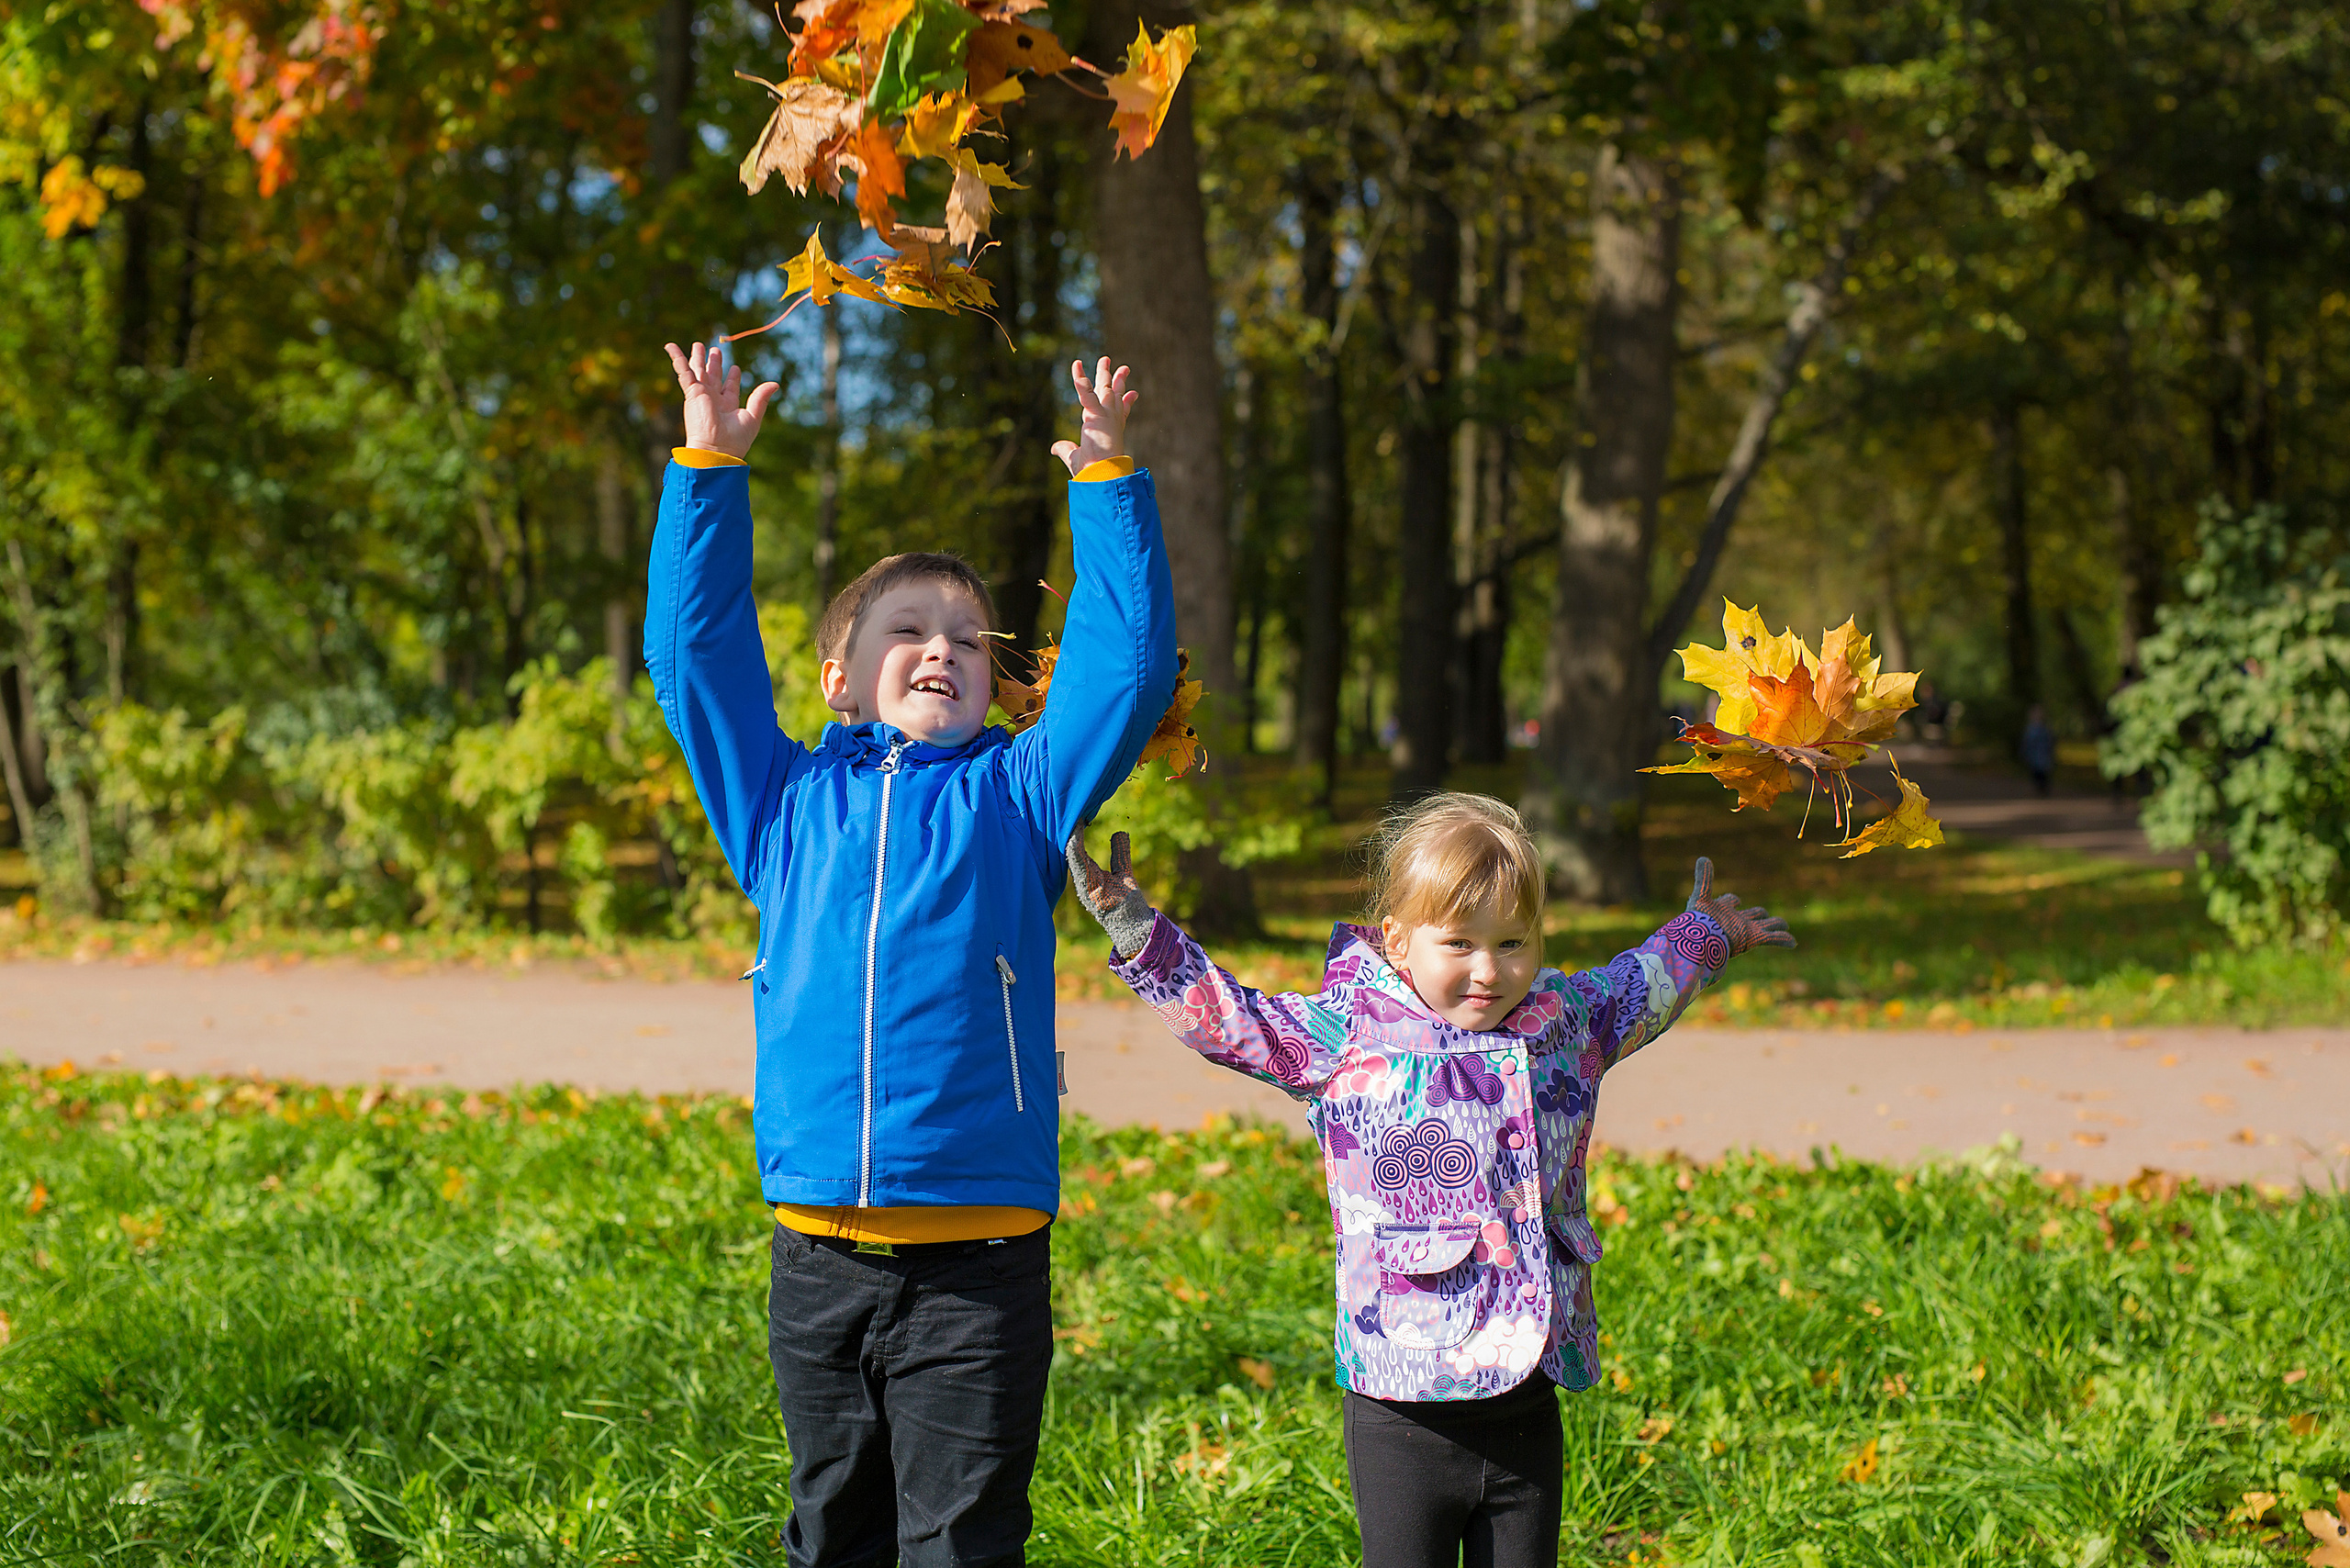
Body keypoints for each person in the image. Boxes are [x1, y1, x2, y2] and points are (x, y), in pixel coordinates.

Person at [646, 342, 1176, 1566]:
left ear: (1001, 688)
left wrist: (1106, 487)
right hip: (816, 1253)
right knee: (833, 1530)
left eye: (971, 641)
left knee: (962, 1544)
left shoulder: (1020, 794)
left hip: (981, 1266)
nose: (942, 648)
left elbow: (1129, 670)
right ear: (839, 676)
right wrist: (707, 470)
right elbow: (693, 661)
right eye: (906, 629)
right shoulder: (781, 803)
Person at [1067, 794, 1794, 1568]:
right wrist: (1138, 933)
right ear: (1399, 940)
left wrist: (1706, 935)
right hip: (1403, 1409)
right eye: (1460, 944)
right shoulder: (1349, 1036)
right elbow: (1229, 1019)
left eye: (1513, 942)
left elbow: (1638, 987)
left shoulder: (1562, 1019)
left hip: (1527, 1401)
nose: (1489, 971)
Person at [2020, 704, 2056, 798]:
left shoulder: (2045, 729)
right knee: (2036, 774)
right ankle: (2039, 790)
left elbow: (2050, 742)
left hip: (2043, 756)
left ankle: (2043, 790)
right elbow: (2026, 743)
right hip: (2034, 756)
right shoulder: (2030, 729)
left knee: (2043, 774)